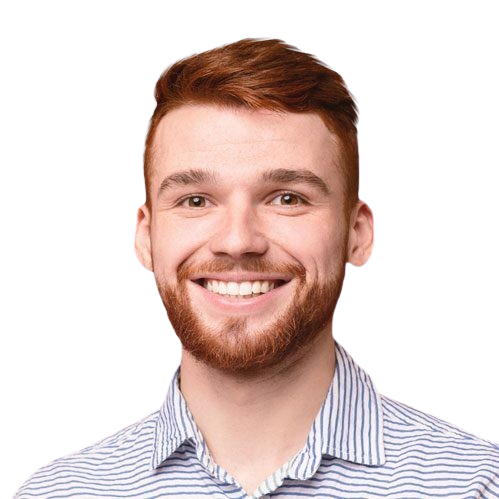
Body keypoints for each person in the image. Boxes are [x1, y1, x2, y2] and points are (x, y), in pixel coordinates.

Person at [14, 37, 498, 499]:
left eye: (287, 198)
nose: (238, 241)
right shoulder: (59, 493)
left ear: (358, 233)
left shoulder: (479, 485)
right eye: (196, 200)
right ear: (145, 237)